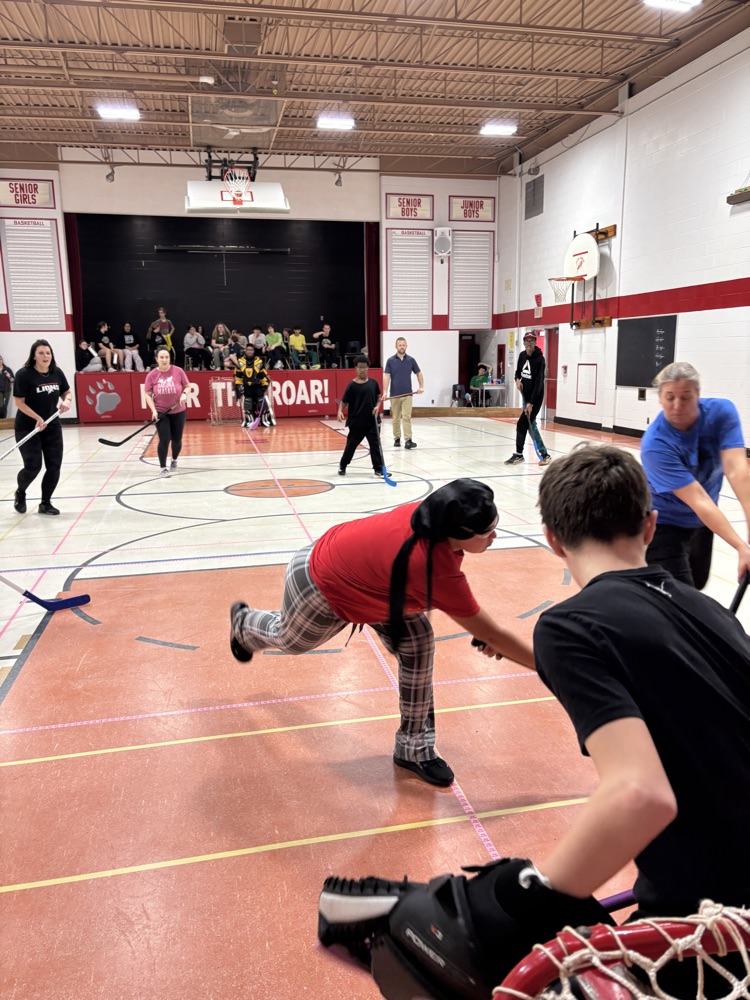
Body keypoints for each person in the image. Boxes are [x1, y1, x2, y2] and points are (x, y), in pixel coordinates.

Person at [318, 443, 750, 1000]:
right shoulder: (708, 609)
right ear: (650, 525)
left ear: (551, 539)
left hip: (704, 930)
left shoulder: (572, 625)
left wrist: (527, 897)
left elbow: (643, 794)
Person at [230, 477, 535, 788]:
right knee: (291, 640)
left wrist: (485, 633)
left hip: (380, 586)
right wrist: (547, 668)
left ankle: (413, 749)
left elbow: (484, 629)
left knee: (418, 644)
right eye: (487, 532)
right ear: (458, 533)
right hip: (323, 581)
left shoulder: (435, 515)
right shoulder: (432, 567)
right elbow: (494, 635)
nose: (494, 536)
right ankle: (244, 624)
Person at [641, 361, 750, 590]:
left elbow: (738, 471)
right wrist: (741, 547)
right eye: (670, 397)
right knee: (679, 596)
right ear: (660, 398)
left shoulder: (722, 413)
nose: (677, 405)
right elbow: (697, 498)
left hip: (702, 522)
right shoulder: (655, 444)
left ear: (698, 395)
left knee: (697, 584)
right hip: (662, 523)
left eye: (686, 397)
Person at [12, 339, 73, 515]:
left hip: (51, 425)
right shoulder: (24, 375)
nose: (45, 356)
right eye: (41, 353)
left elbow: (67, 392)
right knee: (33, 466)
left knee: (54, 466)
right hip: (28, 426)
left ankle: (45, 503)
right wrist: (37, 418)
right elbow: (19, 402)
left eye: (48, 353)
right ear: (33, 355)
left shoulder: (56, 372)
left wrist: (67, 401)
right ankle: (20, 492)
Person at [504, 331, 551, 467]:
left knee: (522, 424)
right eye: (526, 341)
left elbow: (538, 384)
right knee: (531, 426)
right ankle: (543, 454)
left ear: (535, 343)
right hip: (525, 396)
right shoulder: (522, 355)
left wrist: (531, 403)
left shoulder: (539, 360)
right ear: (524, 343)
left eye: (531, 341)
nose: (529, 343)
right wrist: (517, 380)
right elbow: (518, 372)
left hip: (535, 399)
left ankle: (521, 455)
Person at [144, 347, 189, 478]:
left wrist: (184, 394)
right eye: (161, 357)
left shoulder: (178, 371)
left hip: (178, 411)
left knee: (177, 440)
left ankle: (174, 459)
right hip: (161, 412)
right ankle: (163, 467)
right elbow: (147, 394)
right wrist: (153, 411)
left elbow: (187, 386)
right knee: (164, 439)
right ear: (157, 359)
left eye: (167, 357)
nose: (164, 360)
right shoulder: (152, 375)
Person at [337, 355, 384, 478]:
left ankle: (378, 469)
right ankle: (343, 465)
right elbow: (344, 402)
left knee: (375, 446)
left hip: (372, 422)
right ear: (356, 369)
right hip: (357, 422)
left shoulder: (373, 383)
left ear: (368, 368)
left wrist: (377, 406)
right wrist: (339, 411)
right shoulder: (352, 386)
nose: (362, 370)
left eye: (365, 367)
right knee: (351, 446)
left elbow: (378, 397)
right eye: (360, 368)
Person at [383, 337, 424, 449]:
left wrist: (421, 387)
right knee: (395, 418)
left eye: (403, 345)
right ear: (396, 346)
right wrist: (385, 392)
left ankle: (408, 440)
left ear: (406, 346)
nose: (402, 347)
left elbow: (419, 373)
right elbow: (387, 376)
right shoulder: (390, 361)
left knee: (406, 417)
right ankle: (397, 438)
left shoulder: (411, 360)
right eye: (400, 345)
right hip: (394, 395)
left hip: (407, 394)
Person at [233, 343, 269, 428]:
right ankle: (249, 420)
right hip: (246, 386)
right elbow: (238, 376)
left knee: (262, 403)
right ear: (245, 351)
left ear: (253, 351)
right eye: (248, 350)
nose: (249, 351)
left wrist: (265, 385)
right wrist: (238, 386)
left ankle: (265, 420)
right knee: (248, 403)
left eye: (251, 350)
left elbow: (263, 374)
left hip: (257, 385)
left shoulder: (259, 361)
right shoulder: (240, 362)